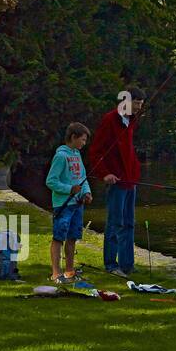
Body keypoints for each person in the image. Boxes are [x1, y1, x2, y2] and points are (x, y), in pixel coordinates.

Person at [88, 87, 145, 278]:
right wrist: (105, 174)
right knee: (114, 223)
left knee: (129, 222)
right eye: (137, 103)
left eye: (141, 104)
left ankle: (127, 264)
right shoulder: (110, 120)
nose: (139, 107)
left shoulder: (130, 121)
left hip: (131, 180)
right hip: (116, 181)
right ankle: (111, 264)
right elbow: (95, 152)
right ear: (127, 102)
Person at [45, 123, 93, 283]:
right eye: (83, 140)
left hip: (77, 204)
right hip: (63, 204)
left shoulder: (77, 155)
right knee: (59, 237)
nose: (84, 143)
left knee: (72, 237)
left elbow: (83, 177)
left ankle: (69, 271)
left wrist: (86, 192)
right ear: (73, 137)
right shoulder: (61, 156)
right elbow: (51, 181)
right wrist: (69, 189)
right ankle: (56, 273)